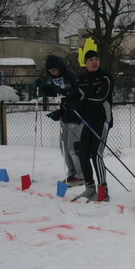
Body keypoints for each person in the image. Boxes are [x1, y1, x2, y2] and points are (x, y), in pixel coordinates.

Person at [70, 50, 114, 202]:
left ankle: (103, 190)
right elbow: (74, 97)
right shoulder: (80, 79)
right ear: (85, 62)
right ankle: (89, 188)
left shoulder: (105, 77)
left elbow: (102, 96)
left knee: (96, 154)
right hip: (87, 121)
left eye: (96, 59)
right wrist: (63, 110)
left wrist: (82, 102)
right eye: (91, 60)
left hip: (102, 120)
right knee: (83, 155)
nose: (94, 62)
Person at [42, 55, 85, 187]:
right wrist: (45, 89)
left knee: (73, 147)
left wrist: (68, 96)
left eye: (54, 70)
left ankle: (81, 175)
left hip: (76, 117)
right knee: (64, 148)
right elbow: (60, 95)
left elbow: (76, 94)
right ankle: (72, 173)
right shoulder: (57, 78)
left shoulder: (70, 76)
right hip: (66, 117)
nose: (52, 73)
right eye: (50, 71)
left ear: (59, 67)